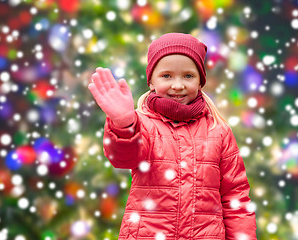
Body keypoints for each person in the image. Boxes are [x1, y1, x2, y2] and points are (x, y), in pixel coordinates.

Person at [88, 33, 257, 240]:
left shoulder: (218, 131)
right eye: (166, 76)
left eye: (188, 76)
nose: (178, 85)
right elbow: (123, 157)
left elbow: (235, 197)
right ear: (151, 81)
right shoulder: (143, 125)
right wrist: (124, 124)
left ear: (201, 82)